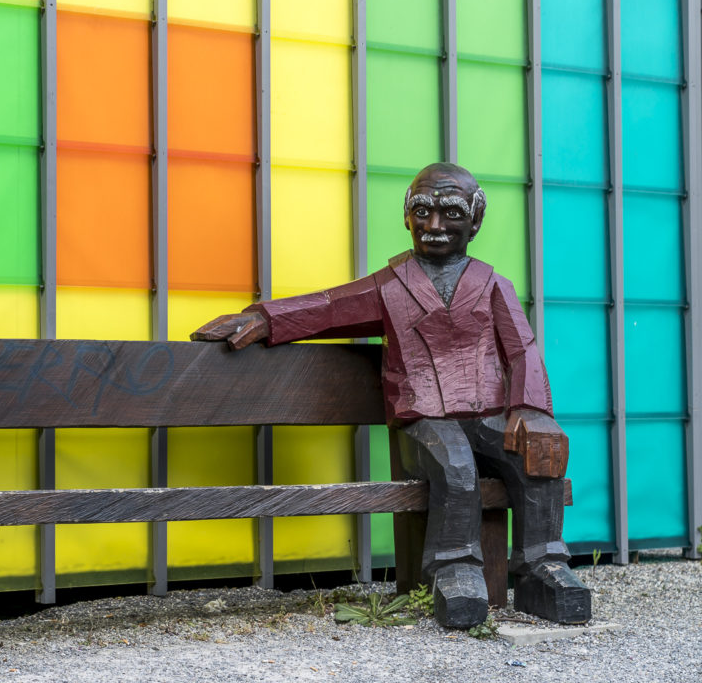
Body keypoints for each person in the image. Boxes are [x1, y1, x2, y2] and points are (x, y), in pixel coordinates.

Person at [192, 162, 591, 629]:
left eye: (451, 213)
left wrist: (530, 409)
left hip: (490, 414)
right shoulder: (391, 285)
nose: (435, 226)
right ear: (406, 217)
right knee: (454, 464)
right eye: (422, 211)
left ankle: (542, 566)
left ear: (476, 221)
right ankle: (454, 570)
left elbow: (523, 350)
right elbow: (327, 307)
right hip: (424, 421)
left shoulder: (493, 286)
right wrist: (265, 319)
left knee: (538, 453)